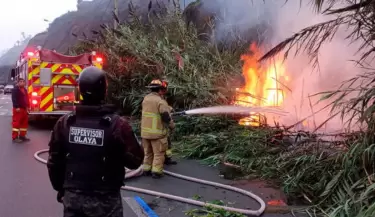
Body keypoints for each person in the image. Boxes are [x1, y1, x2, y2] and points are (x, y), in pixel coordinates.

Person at [47, 66, 144, 217]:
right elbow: (135, 162)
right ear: (105, 90)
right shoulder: (118, 125)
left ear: (80, 90)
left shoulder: (65, 122)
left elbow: (54, 161)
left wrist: (61, 188)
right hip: (106, 200)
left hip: (73, 199)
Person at [141, 79, 175, 178]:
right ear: (160, 90)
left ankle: (146, 170)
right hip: (157, 134)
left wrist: (169, 108)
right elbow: (165, 116)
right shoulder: (160, 101)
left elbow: (153, 111)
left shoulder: (145, 99)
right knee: (159, 154)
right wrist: (172, 125)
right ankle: (156, 172)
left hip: (145, 133)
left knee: (148, 153)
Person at [11, 78, 30, 143]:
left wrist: (28, 106)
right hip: (18, 109)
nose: (22, 83)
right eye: (20, 81)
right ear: (18, 83)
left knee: (24, 123)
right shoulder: (15, 90)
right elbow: (14, 99)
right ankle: (15, 137)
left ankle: (22, 136)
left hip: (24, 109)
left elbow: (26, 98)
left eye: (23, 81)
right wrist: (16, 107)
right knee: (16, 123)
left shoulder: (24, 90)